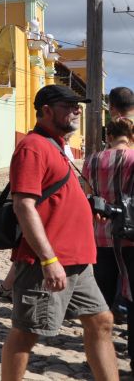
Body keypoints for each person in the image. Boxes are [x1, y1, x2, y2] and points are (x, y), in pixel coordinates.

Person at [1, 84, 117, 380]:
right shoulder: (32, 147)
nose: (76, 110)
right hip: (47, 262)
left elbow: (55, 198)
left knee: (101, 321)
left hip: (78, 261)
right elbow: (24, 206)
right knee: (26, 334)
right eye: (68, 105)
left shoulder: (55, 146)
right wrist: (49, 260)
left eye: (77, 105)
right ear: (46, 111)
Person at [84, 117, 134, 369]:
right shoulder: (133, 159)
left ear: (109, 136)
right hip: (129, 238)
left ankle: (97, 356)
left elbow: (85, 195)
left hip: (98, 236)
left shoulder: (91, 160)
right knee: (132, 298)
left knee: (99, 301)